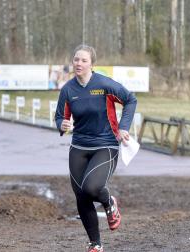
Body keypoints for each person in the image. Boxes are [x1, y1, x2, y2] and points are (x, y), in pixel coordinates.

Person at [55, 44, 137, 252]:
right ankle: (96, 244)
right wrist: (62, 124)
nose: (79, 63)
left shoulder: (104, 84)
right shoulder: (68, 89)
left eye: (83, 60)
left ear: (92, 63)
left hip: (106, 145)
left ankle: (109, 202)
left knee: (91, 188)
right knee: (81, 196)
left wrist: (124, 127)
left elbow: (130, 99)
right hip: (79, 146)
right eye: (76, 59)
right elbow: (59, 117)